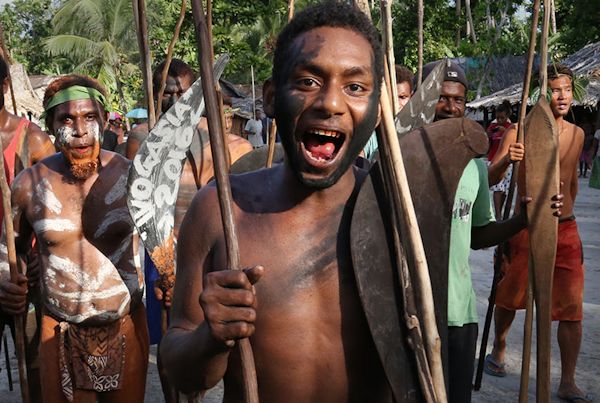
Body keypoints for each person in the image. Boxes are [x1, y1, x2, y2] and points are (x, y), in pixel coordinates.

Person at [161, 2, 397, 401]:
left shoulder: (397, 216)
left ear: (377, 110)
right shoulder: (221, 210)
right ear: (271, 98)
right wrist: (211, 338)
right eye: (307, 81)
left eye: (355, 87)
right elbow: (182, 372)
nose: (330, 103)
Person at [0, 75, 148, 402]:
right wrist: (8, 281)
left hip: (123, 325)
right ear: (51, 126)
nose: (79, 129)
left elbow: (161, 243)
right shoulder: (28, 185)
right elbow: (10, 250)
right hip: (60, 329)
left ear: (105, 120)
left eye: (89, 117)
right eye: (66, 119)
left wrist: (170, 274)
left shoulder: (131, 179)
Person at [423, 60, 561, 403]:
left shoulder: (475, 167)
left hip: (458, 313)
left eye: (458, 100)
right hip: (409, 311)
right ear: (425, 101)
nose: (451, 107)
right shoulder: (400, 159)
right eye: (442, 98)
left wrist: (524, 220)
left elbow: (478, 234)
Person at [488, 64, 591, 403]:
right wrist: (509, 159)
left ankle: (568, 380)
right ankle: (499, 347)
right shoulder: (518, 130)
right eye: (554, 89)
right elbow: (491, 176)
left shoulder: (577, 134)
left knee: (572, 307)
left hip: (566, 228)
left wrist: (567, 204)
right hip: (526, 226)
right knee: (510, 295)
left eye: (566, 89)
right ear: (541, 93)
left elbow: (572, 183)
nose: (561, 96)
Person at [0, 54, 55, 402]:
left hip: (28, 273)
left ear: (3, 86)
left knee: (37, 366)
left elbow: (57, 207)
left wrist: (41, 255)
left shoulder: (33, 141)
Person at [486, 100, 515, 219]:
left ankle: (501, 213)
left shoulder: (511, 128)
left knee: (504, 190)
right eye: (497, 118)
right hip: (494, 160)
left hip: (508, 162)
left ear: (507, 116)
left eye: (502, 118)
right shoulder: (492, 126)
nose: (499, 121)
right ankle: (497, 215)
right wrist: (488, 134)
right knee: (497, 188)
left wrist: (505, 133)